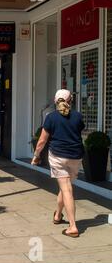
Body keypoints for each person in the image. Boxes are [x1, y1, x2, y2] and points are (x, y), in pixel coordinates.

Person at [32, 89, 85, 238]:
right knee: (65, 186)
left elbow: (42, 140)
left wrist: (36, 156)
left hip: (58, 156)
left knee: (66, 189)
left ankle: (73, 226)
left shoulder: (51, 117)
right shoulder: (78, 116)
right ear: (71, 101)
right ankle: (58, 215)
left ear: (56, 102)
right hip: (75, 156)